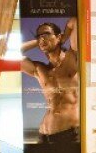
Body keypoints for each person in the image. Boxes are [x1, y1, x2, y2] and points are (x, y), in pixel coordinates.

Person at [21, 16, 80, 144]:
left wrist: (63, 38)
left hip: (68, 136)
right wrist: (38, 42)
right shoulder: (39, 69)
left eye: (46, 34)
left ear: (59, 37)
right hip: (43, 136)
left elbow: (74, 22)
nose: (42, 38)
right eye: (39, 36)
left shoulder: (72, 58)